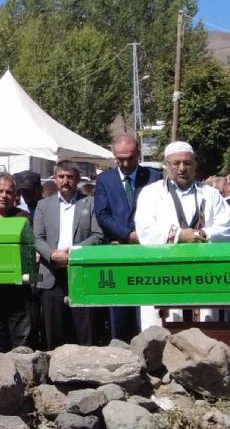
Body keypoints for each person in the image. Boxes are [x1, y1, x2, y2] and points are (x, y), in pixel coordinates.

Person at [134, 142, 230, 329]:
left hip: (203, 272)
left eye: (187, 163)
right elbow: (145, 231)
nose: (181, 168)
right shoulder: (150, 194)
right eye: (176, 163)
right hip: (164, 272)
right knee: (162, 329)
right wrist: (178, 235)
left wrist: (200, 234)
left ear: (194, 165)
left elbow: (225, 228)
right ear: (166, 165)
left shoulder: (211, 194)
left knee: (205, 328)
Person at [93, 133, 162, 341]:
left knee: (149, 311)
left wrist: (144, 236)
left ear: (138, 155)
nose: (124, 163)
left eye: (130, 158)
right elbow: (103, 214)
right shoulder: (105, 180)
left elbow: (161, 211)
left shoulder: (154, 177)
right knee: (120, 311)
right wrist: (128, 235)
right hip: (119, 249)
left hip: (148, 252)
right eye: (120, 158)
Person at [34, 161, 102, 347]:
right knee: (53, 333)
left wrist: (73, 254)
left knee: (84, 331)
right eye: (61, 176)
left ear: (78, 179)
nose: (65, 181)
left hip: (79, 272)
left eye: (70, 177)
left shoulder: (90, 203)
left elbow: (98, 235)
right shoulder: (43, 205)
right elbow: (37, 237)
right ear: (54, 179)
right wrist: (51, 255)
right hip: (51, 273)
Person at [0, 173, 33, 351]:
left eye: (9, 192)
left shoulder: (23, 218)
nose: (4, 195)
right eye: (0, 191)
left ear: (15, 195)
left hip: (16, 284)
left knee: (20, 333)